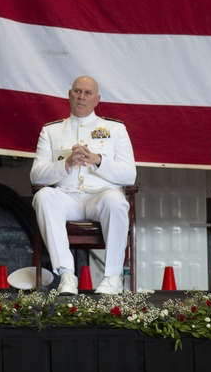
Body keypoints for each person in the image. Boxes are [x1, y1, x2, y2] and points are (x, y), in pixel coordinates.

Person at [30, 75, 136, 295]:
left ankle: (112, 277)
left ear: (97, 99)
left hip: (100, 197)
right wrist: (66, 164)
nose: (81, 97)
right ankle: (67, 275)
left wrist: (98, 161)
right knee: (43, 196)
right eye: (77, 91)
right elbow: (36, 175)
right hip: (67, 198)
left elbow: (129, 176)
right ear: (69, 94)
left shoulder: (114, 129)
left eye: (88, 93)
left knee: (116, 200)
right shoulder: (51, 131)